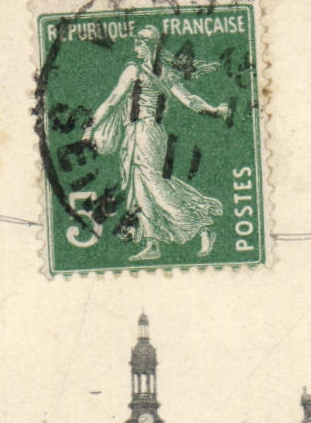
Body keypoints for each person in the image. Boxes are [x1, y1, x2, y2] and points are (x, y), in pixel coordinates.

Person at [82, 26, 232, 261]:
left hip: (143, 133)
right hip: (146, 133)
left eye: (139, 43)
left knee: (154, 186)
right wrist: (214, 111)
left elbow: (112, 101)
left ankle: (202, 225)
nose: (136, 47)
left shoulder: (135, 70)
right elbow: (190, 101)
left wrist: (91, 127)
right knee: (141, 187)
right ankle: (152, 243)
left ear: (150, 45)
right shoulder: (165, 73)